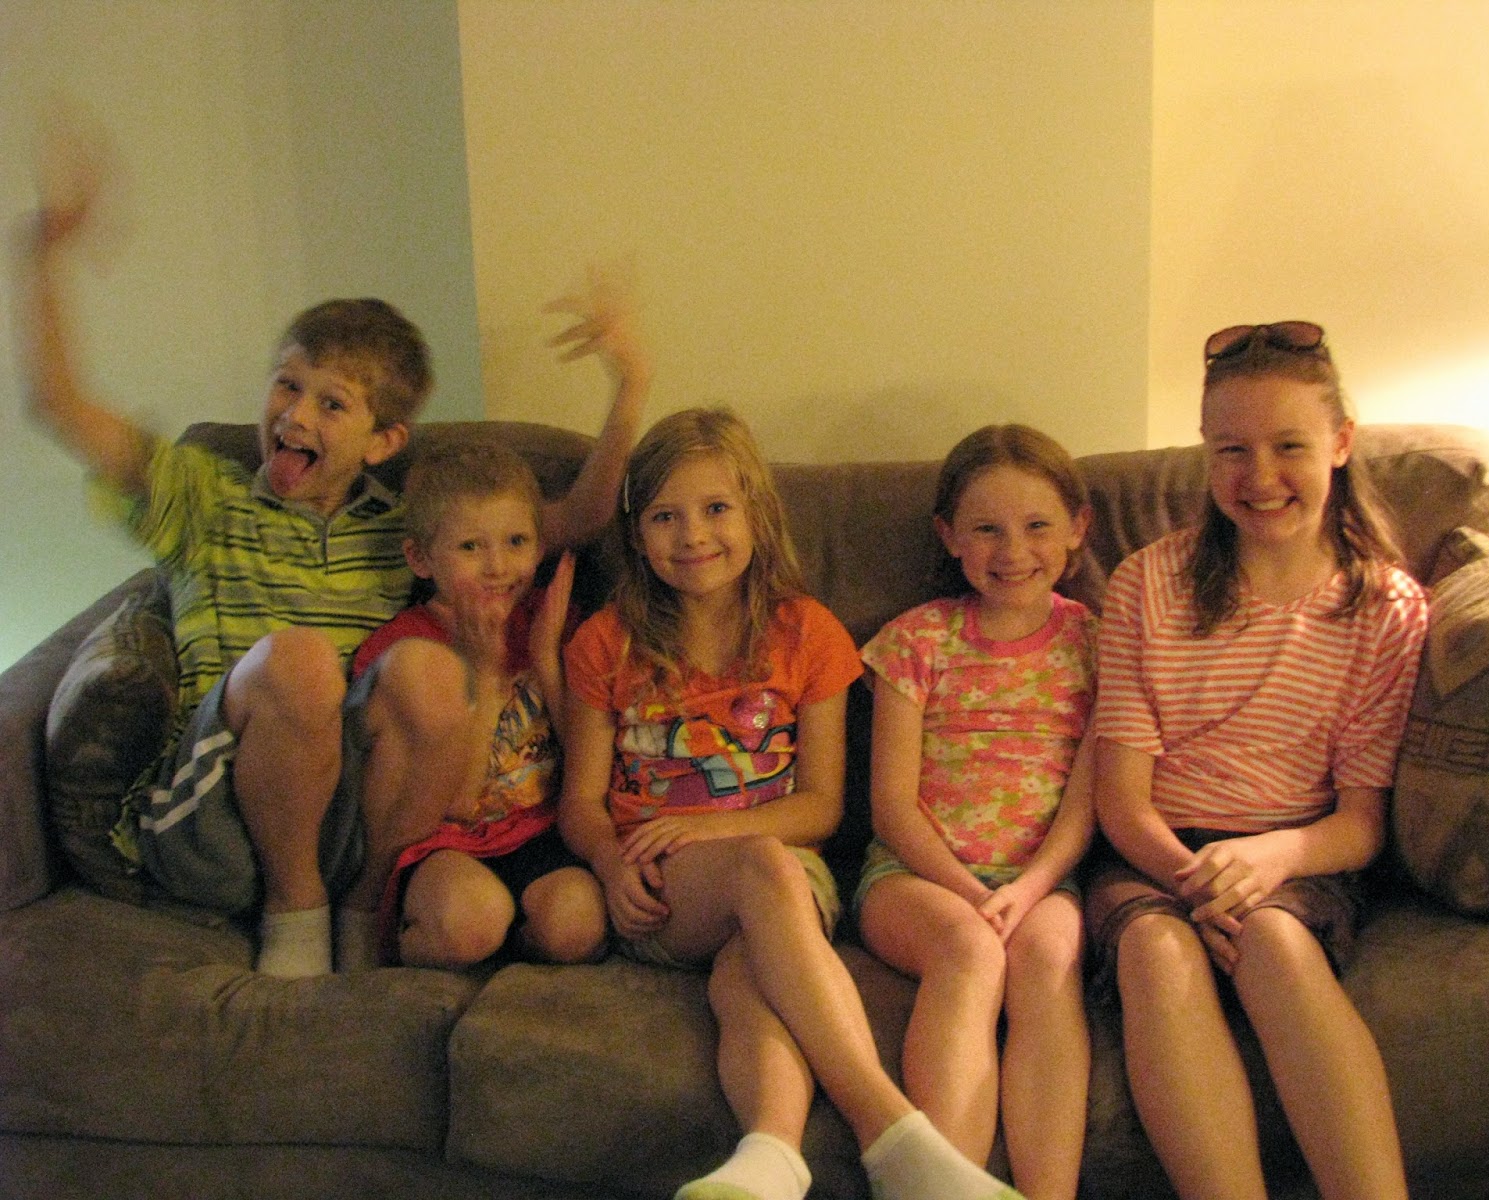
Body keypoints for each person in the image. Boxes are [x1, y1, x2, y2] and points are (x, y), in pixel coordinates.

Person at [12, 140, 651, 977]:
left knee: (429, 671)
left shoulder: (404, 531)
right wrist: (39, 254)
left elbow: (576, 519)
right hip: (214, 821)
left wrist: (630, 384)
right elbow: (58, 405)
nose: (295, 415)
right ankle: (296, 912)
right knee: (302, 662)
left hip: (350, 817)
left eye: (331, 403)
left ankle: (361, 904)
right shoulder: (202, 495)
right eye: (287, 385)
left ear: (384, 441)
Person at [559, 407, 1024, 1200]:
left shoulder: (807, 633)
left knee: (748, 971)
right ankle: (894, 1136)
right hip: (664, 889)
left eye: (715, 508)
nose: (693, 535)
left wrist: (714, 826)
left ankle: (768, 1158)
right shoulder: (607, 641)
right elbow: (579, 801)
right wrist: (608, 862)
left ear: (757, 515)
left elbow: (819, 807)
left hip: (785, 882)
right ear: (636, 533)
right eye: (665, 516)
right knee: (759, 872)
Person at [1088, 321, 1427, 1200]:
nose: (1260, 476)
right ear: (1206, 453)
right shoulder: (1145, 584)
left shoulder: (1385, 606)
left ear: (1341, 443)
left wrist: (1267, 862)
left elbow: (1360, 824)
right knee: (1155, 953)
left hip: (1296, 853)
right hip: (1155, 850)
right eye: (1232, 451)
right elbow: (1120, 800)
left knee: (1275, 941)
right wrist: (1197, 881)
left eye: (1289, 446)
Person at [855, 424, 1096, 1200]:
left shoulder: (1097, 644)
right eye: (987, 529)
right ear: (949, 536)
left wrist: (1028, 890)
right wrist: (969, 894)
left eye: (1037, 525)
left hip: (1042, 880)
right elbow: (891, 807)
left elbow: (1088, 801)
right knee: (969, 949)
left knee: (1049, 958)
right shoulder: (916, 640)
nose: (1012, 550)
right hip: (915, 879)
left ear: (1077, 529)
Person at [350, 440, 607, 969]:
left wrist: (545, 657)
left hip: (539, 830)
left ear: (540, 547)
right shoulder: (402, 651)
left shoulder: (551, 621)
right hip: (445, 841)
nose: (498, 566)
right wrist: (486, 678)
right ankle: (400, 944)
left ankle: (513, 944)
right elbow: (459, 802)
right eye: (470, 547)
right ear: (421, 559)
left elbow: (586, 760)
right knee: (471, 923)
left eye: (516, 542)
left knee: (578, 926)